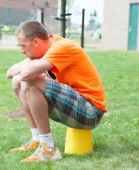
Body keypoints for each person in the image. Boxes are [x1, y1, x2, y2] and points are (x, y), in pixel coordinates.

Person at [6, 20, 106, 163]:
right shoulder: (41, 53)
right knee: (17, 81)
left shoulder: (62, 47)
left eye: (23, 46)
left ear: (36, 42)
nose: (22, 50)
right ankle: (37, 140)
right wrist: (33, 65)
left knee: (29, 81)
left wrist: (32, 68)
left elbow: (27, 75)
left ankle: (48, 149)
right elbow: (9, 73)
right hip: (76, 106)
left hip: (91, 112)